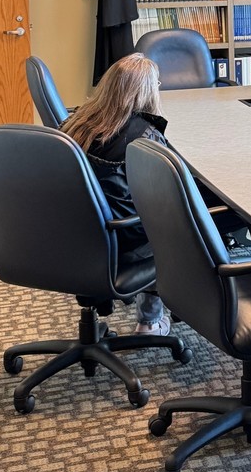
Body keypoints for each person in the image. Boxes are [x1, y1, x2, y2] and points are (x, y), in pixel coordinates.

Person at [61, 52, 172, 335]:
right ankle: (149, 322)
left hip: (71, 236)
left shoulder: (72, 124)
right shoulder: (146, 137)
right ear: (146, 92)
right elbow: (169, 195)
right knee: (174, 223)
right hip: (122, 241)